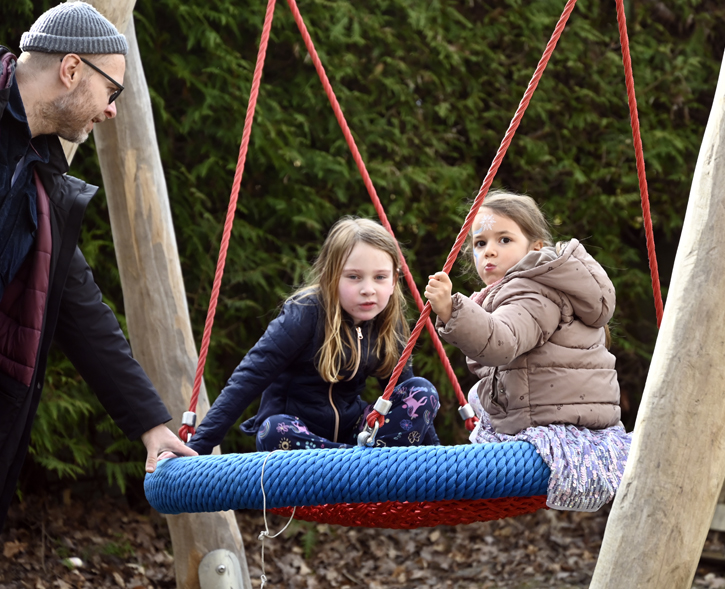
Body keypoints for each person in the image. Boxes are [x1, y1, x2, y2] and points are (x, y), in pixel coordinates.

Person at [0, 2, 195, 531]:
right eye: (112, 91)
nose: (111, 111)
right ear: (71, 69)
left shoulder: (43, 184)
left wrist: (152, 426)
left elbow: (82, 312)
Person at [424, 190, 630, 512]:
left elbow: (501, 342)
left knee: (479, 402)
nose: (490, 251)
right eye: (480, 243)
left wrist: (453, 311)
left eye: (504, 240)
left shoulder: (532, 292)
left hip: (554, 424)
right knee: (479, 395)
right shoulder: (524, 289)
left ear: (535, 248)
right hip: (564, 410)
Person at [186, 217, 440, 455]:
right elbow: (249, 377)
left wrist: (441, 460)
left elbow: (404, 394)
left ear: (394, 280)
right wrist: (199, 445)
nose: (368, 289)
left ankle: (360, 463)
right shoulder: (306, 313)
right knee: (273, 430)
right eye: (354, 277)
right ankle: (358, 463)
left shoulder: (387, 322)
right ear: (331, 276)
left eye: (380, 277)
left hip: (353, 433)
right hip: (299, 436)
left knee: (422, 391)